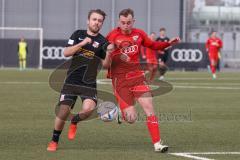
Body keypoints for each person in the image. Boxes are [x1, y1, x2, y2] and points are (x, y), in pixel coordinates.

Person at [104, 8, 180, 152]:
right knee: (131, 118)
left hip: (137, 77)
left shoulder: (139, 34)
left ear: (133, 21)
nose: (126, 25)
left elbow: (153, 45)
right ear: (118, 22)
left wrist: (168, 43)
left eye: (128, 22)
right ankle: (120, 112)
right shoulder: (111, 36)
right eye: (123, 22)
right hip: (120, 81)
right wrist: (112, 55)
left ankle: (157, 144)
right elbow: (103, 57)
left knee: (149, 107)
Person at [47, 9, 111, 152]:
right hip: (72, 80)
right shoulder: (78, 34)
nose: (97, 22)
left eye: (100, 21)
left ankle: (75, 120)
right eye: (94, 19)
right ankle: (54, 140)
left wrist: (110, 53)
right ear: (88, 21)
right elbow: (66, 52)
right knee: (63, 112)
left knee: (88, 110)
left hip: (88, 82)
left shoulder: (103, 41)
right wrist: (82, 43)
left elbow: (106, 65)